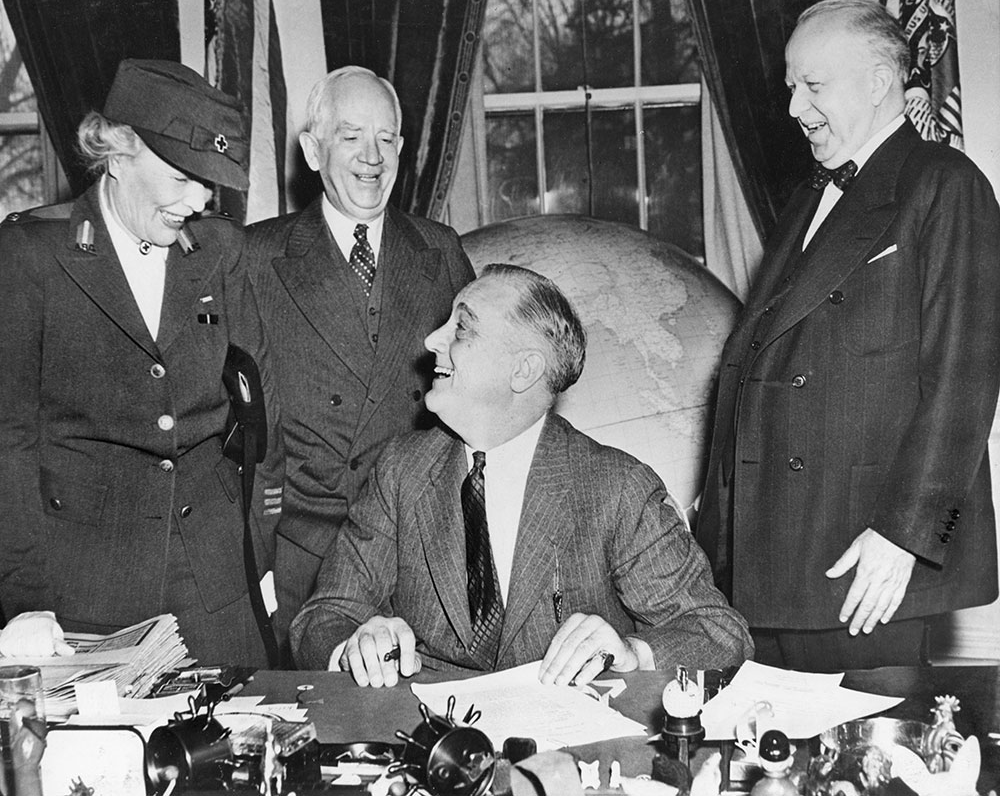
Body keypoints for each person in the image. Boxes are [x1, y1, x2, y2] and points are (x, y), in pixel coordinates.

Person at [696, 0, 1000, 672]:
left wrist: (907, 536)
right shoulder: (806, 200)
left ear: (877, 80)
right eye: (789, 88)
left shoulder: (946, 185)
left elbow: (965, 381)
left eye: (813, 85)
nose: (793, 109)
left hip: (866, 563)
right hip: (767, 559)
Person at [290, 264, 753, 685]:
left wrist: (633, 653)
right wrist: (353, 646)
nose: (432, 340)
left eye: (461, 328)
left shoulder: (616, 488)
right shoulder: (400, 470)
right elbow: (324, 615)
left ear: (524, 370)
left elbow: (718, 632)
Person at [0, 59, 284, 667]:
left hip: (218, 584)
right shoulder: (31, 255)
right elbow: (9, 441)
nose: (199, 199)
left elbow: (260, 409)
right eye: (183, 177)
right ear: (119, 151)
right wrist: (24, 599)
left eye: (209, 182)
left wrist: (253, 554)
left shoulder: (219, 249)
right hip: (87, 590)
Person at [243, 65, 474, 659]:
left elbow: (480, 409)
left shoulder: (441, 250)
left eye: (387, 138)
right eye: (350, 137)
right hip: (305, 565)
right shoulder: (256, 258)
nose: (372, 157)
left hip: (418, 563)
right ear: (313, 152)